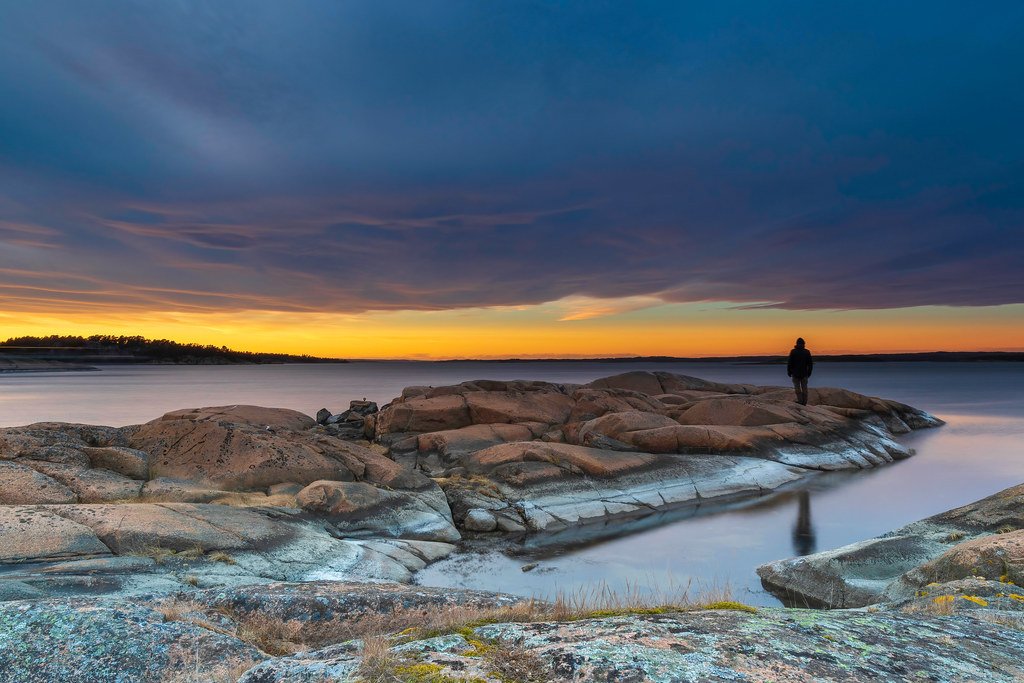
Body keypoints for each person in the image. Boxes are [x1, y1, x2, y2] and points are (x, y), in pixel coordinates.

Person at [787, 337, 813, 405]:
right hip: (803, 373)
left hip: (796, 374)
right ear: (803, 344)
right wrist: (809, 372)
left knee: (798, 389)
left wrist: (789, 372)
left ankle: (801, 402)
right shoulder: (806, 352)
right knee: (804, 389)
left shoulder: (793, 351)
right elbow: (810, 364)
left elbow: (790, 363)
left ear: (797, 343)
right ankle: (804, 402)